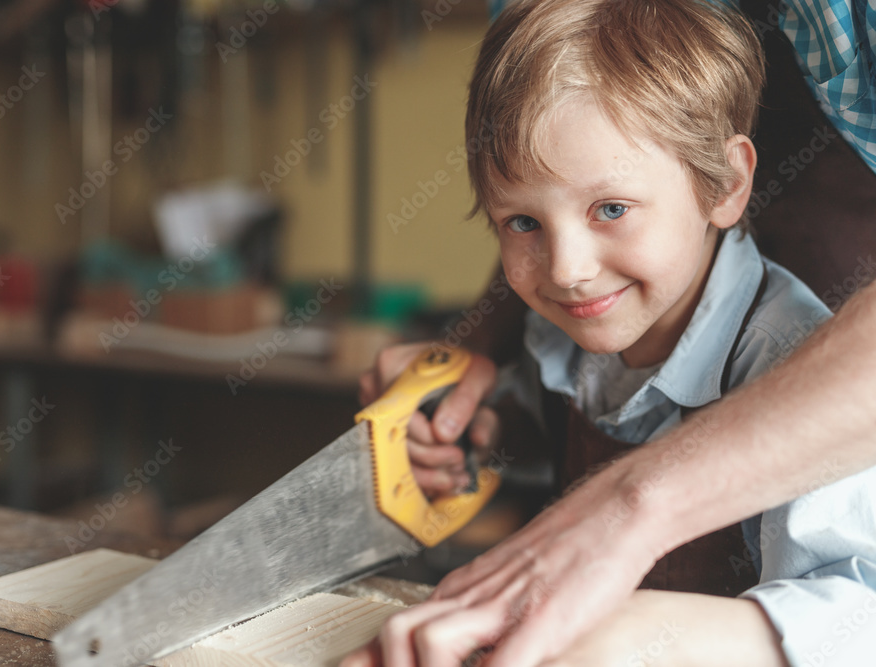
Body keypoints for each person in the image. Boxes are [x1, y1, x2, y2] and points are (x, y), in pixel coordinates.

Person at [342, 0, 876, 665]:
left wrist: (646, 637)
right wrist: (486, 435)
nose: (567, 272)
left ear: (729, 182)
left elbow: (860, 613)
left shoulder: (787, 358)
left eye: (612, 209)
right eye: (521, 222)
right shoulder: (573, 327)